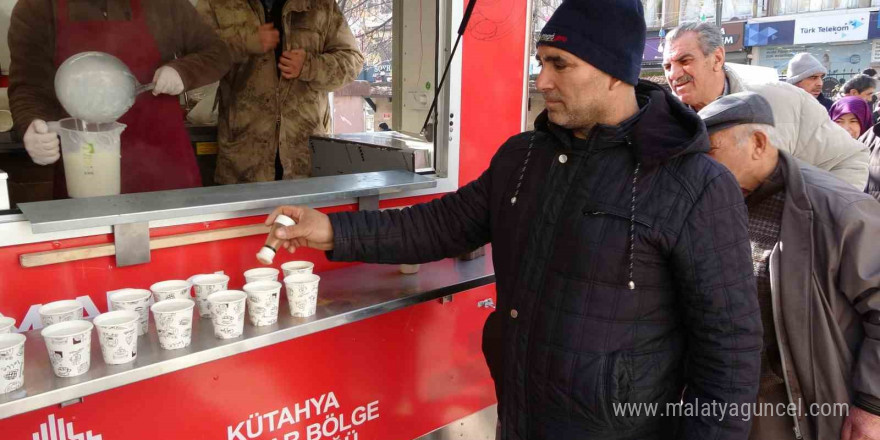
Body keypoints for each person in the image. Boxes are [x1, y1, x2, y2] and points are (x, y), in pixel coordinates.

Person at [263, 2, 761, 439]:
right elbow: (440, 225)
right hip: (522, 414)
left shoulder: (693, 184)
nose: (541, 81)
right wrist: (330, 229)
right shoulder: (524, 158)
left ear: (616, 71)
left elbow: (729, 355)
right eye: (541, 62)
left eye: (559, 64)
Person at [699, 91, 880, 440]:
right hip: (737, 403)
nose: (699, 168)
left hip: (812, 406)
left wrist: (872, 406)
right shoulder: (720, 201)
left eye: (709, 154)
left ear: (757, 142)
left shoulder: (840, 212)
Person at [8, 0, 231, 196]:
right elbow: (29, 87)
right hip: (87, 166)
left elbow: (217, 52)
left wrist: (183, 71)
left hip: (165, 168)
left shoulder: (162, 4)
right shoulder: (37, 7)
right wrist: (32, 125)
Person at [662, 22, 869, 188]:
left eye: (685, 61)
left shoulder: (783, 100)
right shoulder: (660, 122)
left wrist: (811, 224)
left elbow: (849, 160)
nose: (674, 74)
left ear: (717, 58)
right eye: (668, 66)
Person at [198, 0, 364, 184]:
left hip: (304, 163)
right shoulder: (218, 4)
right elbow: (194, 58)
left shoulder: (319, 4)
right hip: (242, 165)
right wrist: (244, 42)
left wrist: (309, 66)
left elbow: (352, 61)